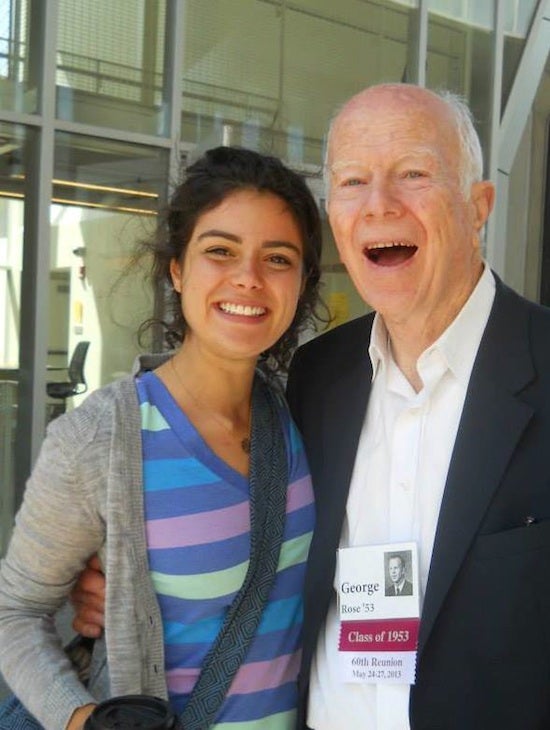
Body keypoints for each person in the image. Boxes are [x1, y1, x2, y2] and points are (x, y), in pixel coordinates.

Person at [71, 83, 550, 729]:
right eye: (352, 181)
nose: (379, 204)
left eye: (413, 174)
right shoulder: (317, 378)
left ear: (479, 205)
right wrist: (122, 578)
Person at [0, 146, 323, 730]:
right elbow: (15, 611)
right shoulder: (99, 439)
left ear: (302, 282)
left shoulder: (307, 414)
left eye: (277, 258)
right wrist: (82, 721)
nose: (247, 278)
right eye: (219, 251)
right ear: (177, 270)